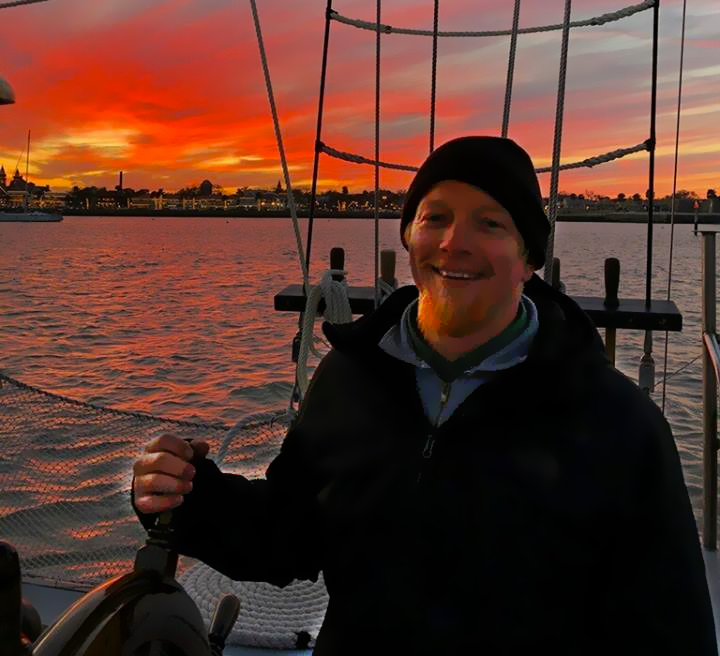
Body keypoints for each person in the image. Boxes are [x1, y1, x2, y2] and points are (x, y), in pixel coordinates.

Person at [132, 136, 717, 655]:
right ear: (410, 237)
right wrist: (189, 496)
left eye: (490, 224)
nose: (454, 243)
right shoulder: (350, 379)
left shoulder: (615, 421)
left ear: (529, 258)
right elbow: (289, 535)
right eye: (435, 218)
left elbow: (668, 629)